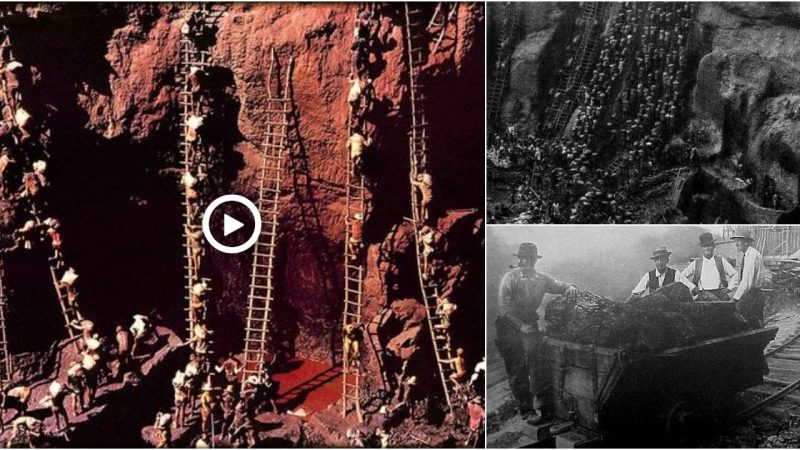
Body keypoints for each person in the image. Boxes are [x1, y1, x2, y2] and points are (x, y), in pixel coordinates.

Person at [496, 243, 579, 423]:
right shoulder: (510, 278)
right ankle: (526, 411)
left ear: (534, 260)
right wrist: (520, 326)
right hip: (509, 325)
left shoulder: (541, 279)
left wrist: (569, 287)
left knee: (538, 360)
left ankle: (543, 404)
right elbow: (504, 309)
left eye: (527, 258)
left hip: (529, 323)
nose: (523, 261)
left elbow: (559, 285)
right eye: (521, 258)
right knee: (517, 367)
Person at [681, 232, 739, 301]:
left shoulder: (721, 261)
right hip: (702, 295)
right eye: (704, 246)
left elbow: (735, 274)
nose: (707, 248)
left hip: (719, 295)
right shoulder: (696, 263)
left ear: (714, 246)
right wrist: (693, 287)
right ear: (701, 248)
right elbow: (681, 276)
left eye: (709, 245)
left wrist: (730, 288)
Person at [629, 246, 695, 298]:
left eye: (662, 259)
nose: (660, 262)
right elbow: (636, 293)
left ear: (667, 260)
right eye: (657, 259)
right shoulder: (649, 275)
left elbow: (691, 287)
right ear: (654, 262)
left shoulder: (676, 274)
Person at [731, 228, 765, 328]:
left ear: (747, 242)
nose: (736, 243)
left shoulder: (752, 256)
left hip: (753, 295)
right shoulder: (748, 254)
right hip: (753, 294)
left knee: (748, 321)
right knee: (753, 322)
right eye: (735, 240)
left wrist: (734, 299)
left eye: (739, 240)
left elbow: (746, 282)